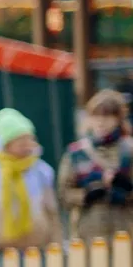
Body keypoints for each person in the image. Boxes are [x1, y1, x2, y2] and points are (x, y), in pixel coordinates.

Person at [0, 108, 62, 251]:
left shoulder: (41, 171)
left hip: (35, 249)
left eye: (30, 140)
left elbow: (52, 212)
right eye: (21, 142)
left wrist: (56, 244)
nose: (27, 146)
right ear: (7, 145)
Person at [57, 89, 133, 242]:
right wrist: (86, 194)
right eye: (96, 116)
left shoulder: (129, 150)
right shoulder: (76, 153)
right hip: (87, 233)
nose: (101, 122)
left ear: (118, 119)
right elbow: (64, 194)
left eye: (107, 116)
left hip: (125, 231)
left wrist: (125, 187)